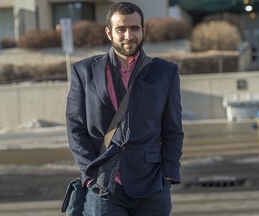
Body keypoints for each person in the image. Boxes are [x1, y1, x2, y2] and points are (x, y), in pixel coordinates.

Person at [66, 2, 184, 216]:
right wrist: (90, 174)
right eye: (121, 29)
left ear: (143, 30)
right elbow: (75, 128)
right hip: (104, 186)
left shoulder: (165, 72)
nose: (128, 35)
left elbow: (173, 129)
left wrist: (169, 173)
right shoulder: (83, 72)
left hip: (152, 185)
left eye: (134, 28)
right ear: (109, 33)